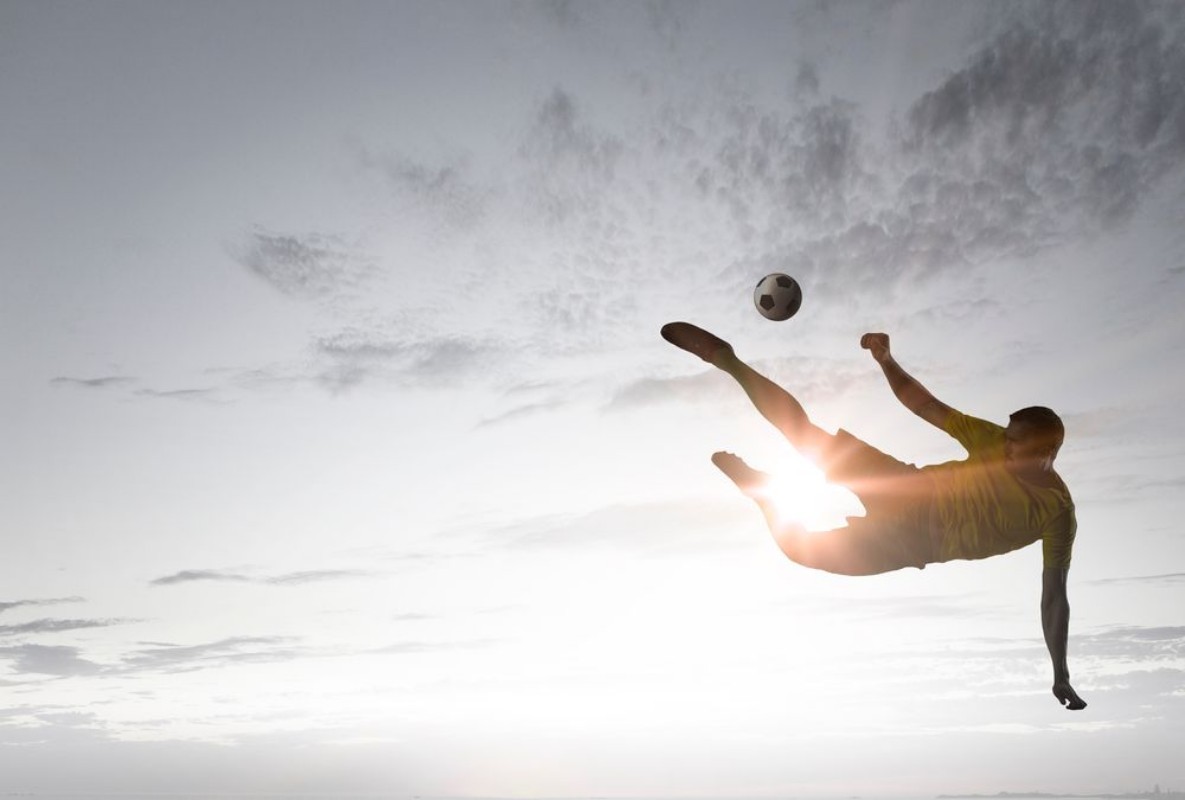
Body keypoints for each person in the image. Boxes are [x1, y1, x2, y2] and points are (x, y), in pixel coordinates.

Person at [661, 321, 1086, 711]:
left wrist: (1060, 672)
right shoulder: (992, 438)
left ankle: (764, 494)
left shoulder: (1058, 514)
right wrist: (886, 360)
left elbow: (1054, 597)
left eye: (1018, 446)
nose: (1006, 448)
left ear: (1048, 452)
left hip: (915, 545)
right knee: (803, 433)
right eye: (1007, 438)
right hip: (906, 486)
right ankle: (726, 359)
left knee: (799, 550)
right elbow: (923, 404)